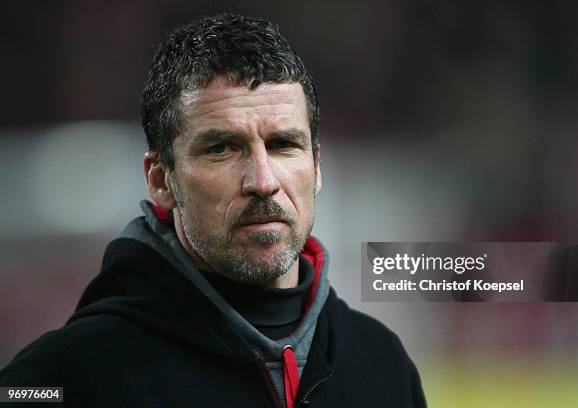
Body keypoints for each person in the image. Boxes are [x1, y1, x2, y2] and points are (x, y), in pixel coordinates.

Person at [0, 13, 426, 407]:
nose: (263, 181)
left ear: (316, 167)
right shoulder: (61, 377)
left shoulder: (383, 365)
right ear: (160, 180)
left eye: (283, 145)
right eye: (222, 148)